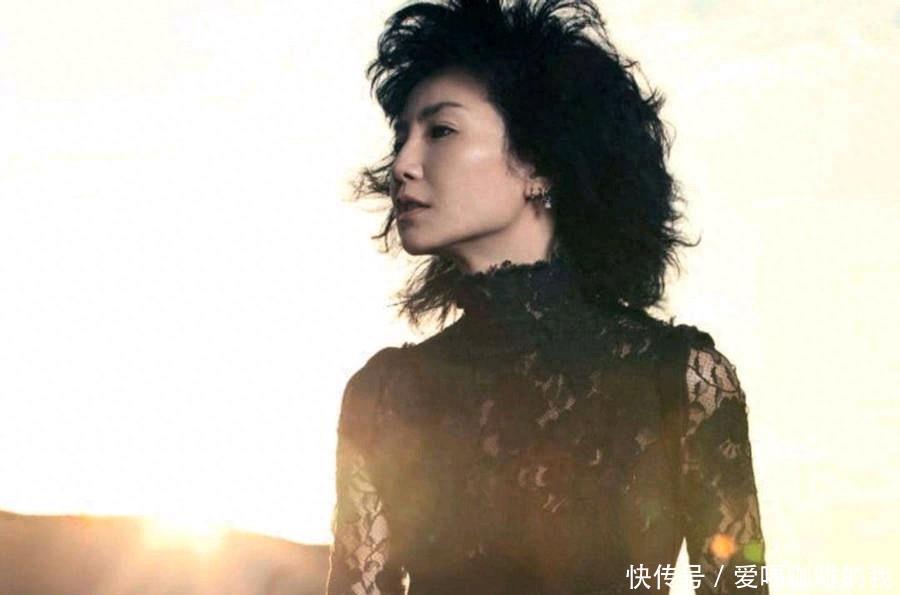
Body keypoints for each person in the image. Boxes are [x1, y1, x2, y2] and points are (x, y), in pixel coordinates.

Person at [326, 0, 768, 593]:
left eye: (441, 131)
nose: (402, 164)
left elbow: (738, 579)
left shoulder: (680, 381)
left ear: (539, 163)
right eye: (401, 136)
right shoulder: (383, 395)